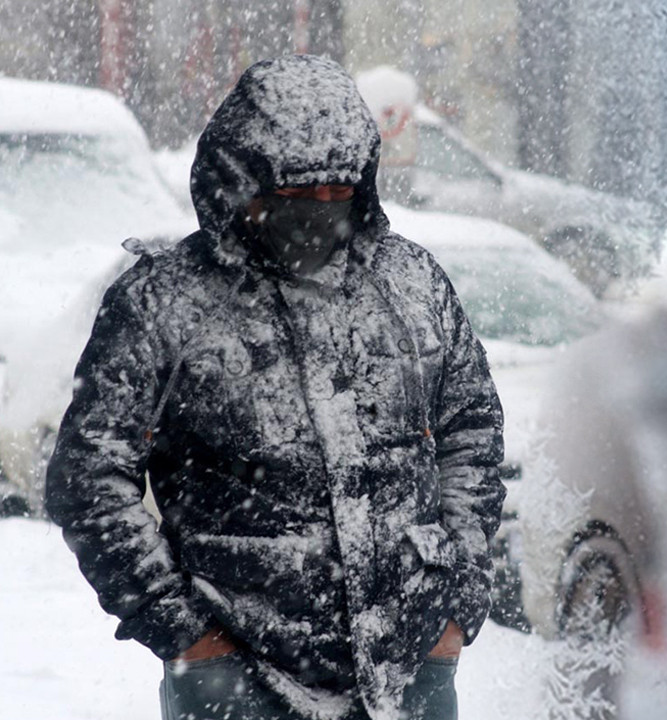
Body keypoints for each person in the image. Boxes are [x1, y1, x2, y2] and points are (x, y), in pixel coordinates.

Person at [44, 55, 505, 720]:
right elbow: (88, 477)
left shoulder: (411, 285)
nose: (320, 211)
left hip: (410, 669)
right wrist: (185, 634)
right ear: (241, 181)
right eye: (296, 195)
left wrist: (454, 602)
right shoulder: (164, 303)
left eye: (336, 192)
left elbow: (472, 433)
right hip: (235, 678)